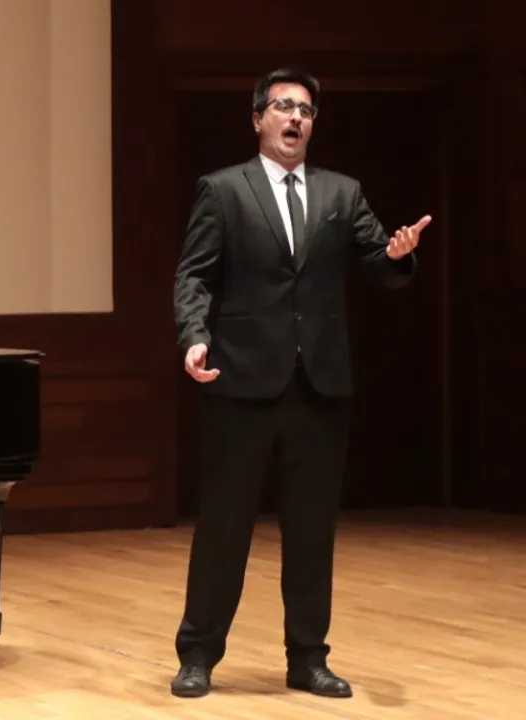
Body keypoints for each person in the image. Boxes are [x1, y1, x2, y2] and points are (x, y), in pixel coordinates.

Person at [170, 68, 430, 699]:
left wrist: (397, 256)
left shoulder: (343, 192)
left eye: (306, 111)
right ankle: (198, 655)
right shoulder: (222, 190)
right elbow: (194, 275)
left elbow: (377, 262)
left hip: (319, 388)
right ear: (258, 118)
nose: (295, 118)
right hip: (240, 383)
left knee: (313, 531)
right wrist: (194, 334)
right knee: (225, 527)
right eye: (284, 107)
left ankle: (308, 658)